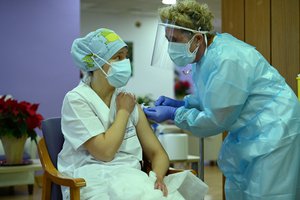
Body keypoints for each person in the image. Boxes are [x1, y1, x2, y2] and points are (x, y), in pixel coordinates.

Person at [143, 0, 300, 199]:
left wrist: (175, 114)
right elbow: (213, 99)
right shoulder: (205, 56)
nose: (170, 46)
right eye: (167, 39)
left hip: (275, 128)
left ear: (198, 38)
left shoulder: (227, 58)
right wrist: (184, 104)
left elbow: (215, 120)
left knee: (268, 193)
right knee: (241, 190)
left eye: (174, 39)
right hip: (252, 130)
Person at [57, 28, 208, 200]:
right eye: (117, 57)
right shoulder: (77, 99)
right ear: (94, 62)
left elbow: (158, 154)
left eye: (126, 56)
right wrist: (123, 112)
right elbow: (105, 153)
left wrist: (157, 177)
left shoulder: (126, 100)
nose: (125, 62)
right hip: (92, 180)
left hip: (132, 179)